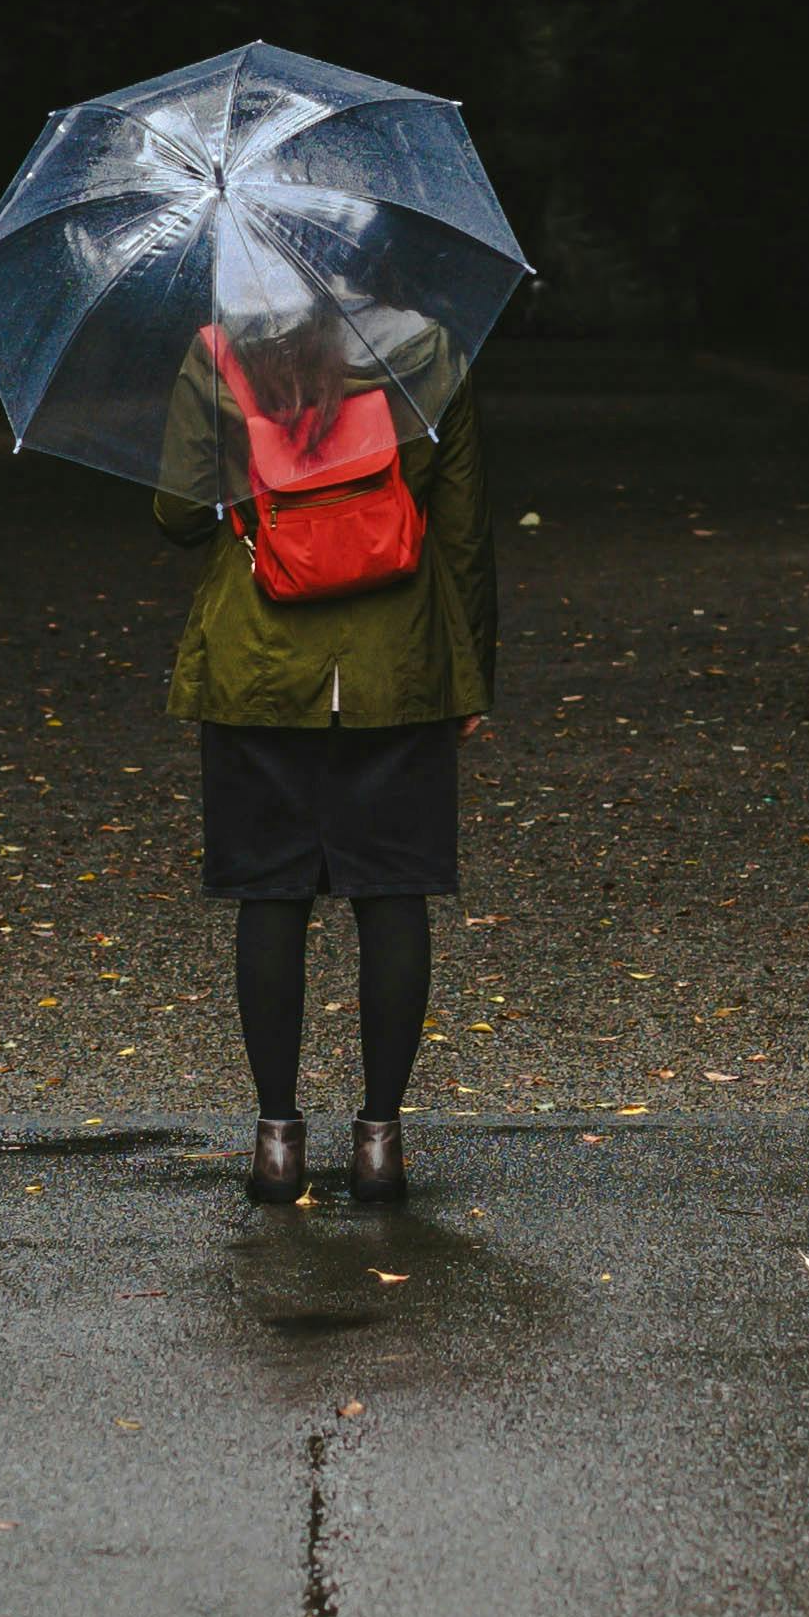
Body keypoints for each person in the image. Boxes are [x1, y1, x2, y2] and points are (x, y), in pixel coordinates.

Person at [155, 268, 495, 1209]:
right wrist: (470, 670)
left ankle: (276, 1141)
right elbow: (463, 529)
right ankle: (380, 1142)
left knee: (271, 894)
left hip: (258, 666)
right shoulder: (429, 350)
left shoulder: (219, 353)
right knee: (393, 893)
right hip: (399, 664)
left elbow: (177, 514)